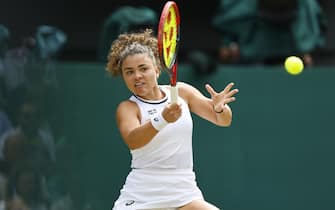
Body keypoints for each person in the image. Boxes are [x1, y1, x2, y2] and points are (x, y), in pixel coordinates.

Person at [106, 29, 239, 210]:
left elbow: (223, 120)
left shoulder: (182, 92)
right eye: (129, 72)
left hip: (183, 191)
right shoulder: (128, 108)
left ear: (157, 69)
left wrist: (219, 108)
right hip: (143, 193)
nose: (137, 76)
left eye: (143, 68)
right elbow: (133, 140)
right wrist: (163, 119)